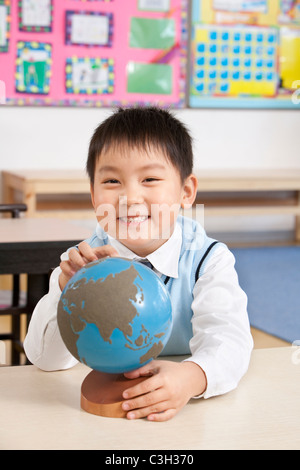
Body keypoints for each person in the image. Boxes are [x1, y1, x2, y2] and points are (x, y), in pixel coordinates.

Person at [24, 106, 253, 422]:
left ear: (186, 191)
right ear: (93, 195)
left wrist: (192, 377)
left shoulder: (208, 261)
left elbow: (230, 341)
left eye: (150, 178)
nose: (129, 197)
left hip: (188, 418)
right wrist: (66, 292)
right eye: (112, 181)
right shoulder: (81, 266)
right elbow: (44, 360)